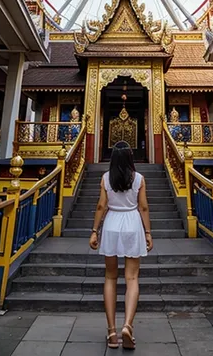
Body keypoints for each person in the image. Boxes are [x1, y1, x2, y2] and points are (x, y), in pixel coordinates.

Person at [89, 141, 153, 350]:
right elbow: (143, 207)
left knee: (110, 277)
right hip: (133, 222)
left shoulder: (106, 178)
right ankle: (128, 325)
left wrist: (94, 231)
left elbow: (101, 205)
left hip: (112, 223)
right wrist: (148, 232)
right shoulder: (139, 179)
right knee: (132, 278)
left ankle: (111, 332)